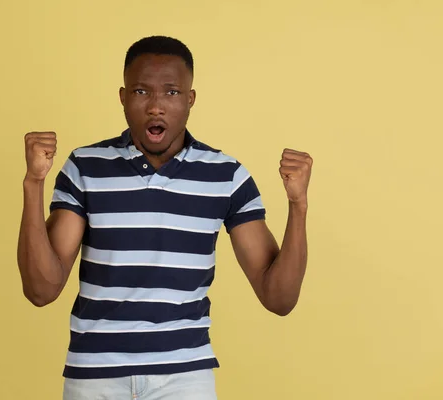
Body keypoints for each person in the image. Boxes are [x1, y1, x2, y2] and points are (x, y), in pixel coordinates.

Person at [17, 35, 313, 400]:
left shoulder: (226, 176)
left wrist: (298, 206)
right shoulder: (85, 167)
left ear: (190, 100)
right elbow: (41, 290)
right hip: (95, 377)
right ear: (124, 98)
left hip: (184, 379)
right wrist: (33, 183)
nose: (156, 107)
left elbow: (278, 298)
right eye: (142, 92)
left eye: (171, 93)